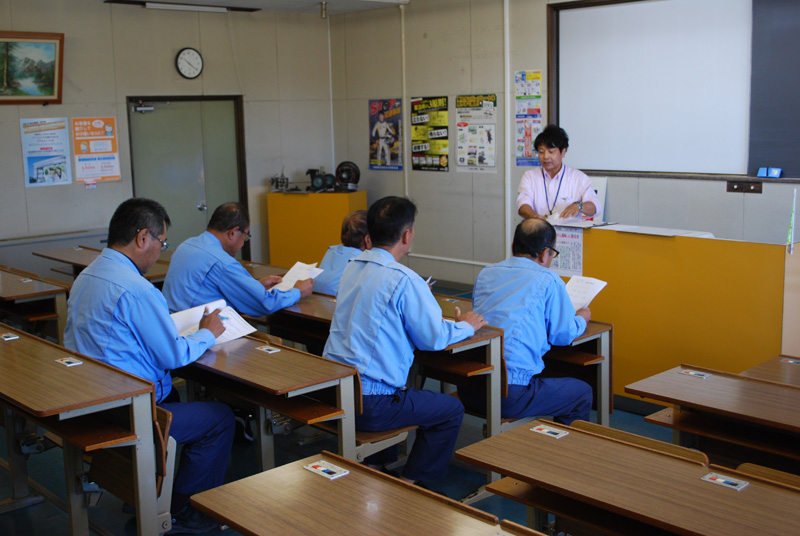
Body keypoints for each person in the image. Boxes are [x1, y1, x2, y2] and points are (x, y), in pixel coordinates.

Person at [63, 198, 234, 534]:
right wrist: (206, 333)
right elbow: (171, 356)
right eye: (161, 242)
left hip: (88, 398)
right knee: (221, 419)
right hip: (127, 409)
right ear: (143, 238)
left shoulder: (87, 275)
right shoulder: (137, 290)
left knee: (176, 402)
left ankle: (145, 490)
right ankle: (184, 508)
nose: (160, 251)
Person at [323, 196, 487, 485]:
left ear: (369, 236)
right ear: (407, 235)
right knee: (450, 410)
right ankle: (414, 485)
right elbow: (434, 337)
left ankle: (375, 466)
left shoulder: (351, 265)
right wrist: (466, 326)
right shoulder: (405, 279)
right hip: (371, 403)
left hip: (334, 391)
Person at [457, 218, 593, 425]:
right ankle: (561, 456)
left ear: (513, 247)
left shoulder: (487, 273)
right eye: (552, 254)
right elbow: (562, 335)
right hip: (508, 394)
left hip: (470, 385)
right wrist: (581, 319)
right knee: (581, 392)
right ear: (544, 253)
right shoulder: (548, 279)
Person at [162, 202, 313, 315]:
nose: (243, 242)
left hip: (172, 325)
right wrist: (298, 292)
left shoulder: (186, 245)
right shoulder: (222, 262)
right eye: (245, 236)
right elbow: (265, 304)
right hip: (194, 331)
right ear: (233, 232)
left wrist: (253, 285)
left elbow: (206, 287)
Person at [517, 125, 602, 220]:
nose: (545, 157)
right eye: (541, 152)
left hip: (569, 233)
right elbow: (523, 205)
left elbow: (596, 207)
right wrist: (535, 217)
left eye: (551, 152)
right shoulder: (530, 176)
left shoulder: (578, 178)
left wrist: (578, 206)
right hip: (539, 231)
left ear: (563, 152)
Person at [314, 210, 371, 296]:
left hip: (317, 300)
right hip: (337, 304)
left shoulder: (331, 250)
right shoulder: (361, 259)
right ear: (368, 239)